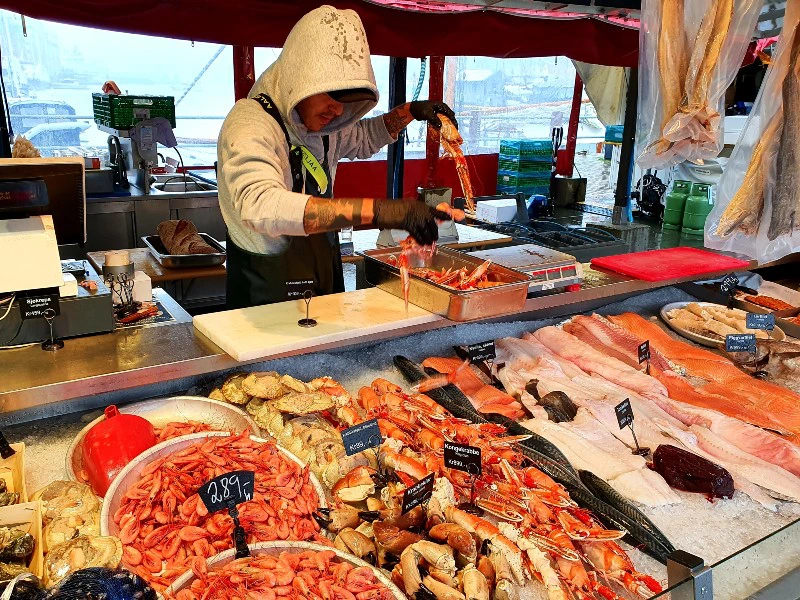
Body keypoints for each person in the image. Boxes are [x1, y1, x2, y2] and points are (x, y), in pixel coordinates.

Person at [217, 5, 458, 309]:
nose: (339, 110)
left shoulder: (327, 122)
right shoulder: (250, 123)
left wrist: (410, 112)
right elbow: (260, 205)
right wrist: (379, 211)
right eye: (331, 96)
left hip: (322, 269)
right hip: (265, 288)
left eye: (348, 101)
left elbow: (364, 137)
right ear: (300, 79)